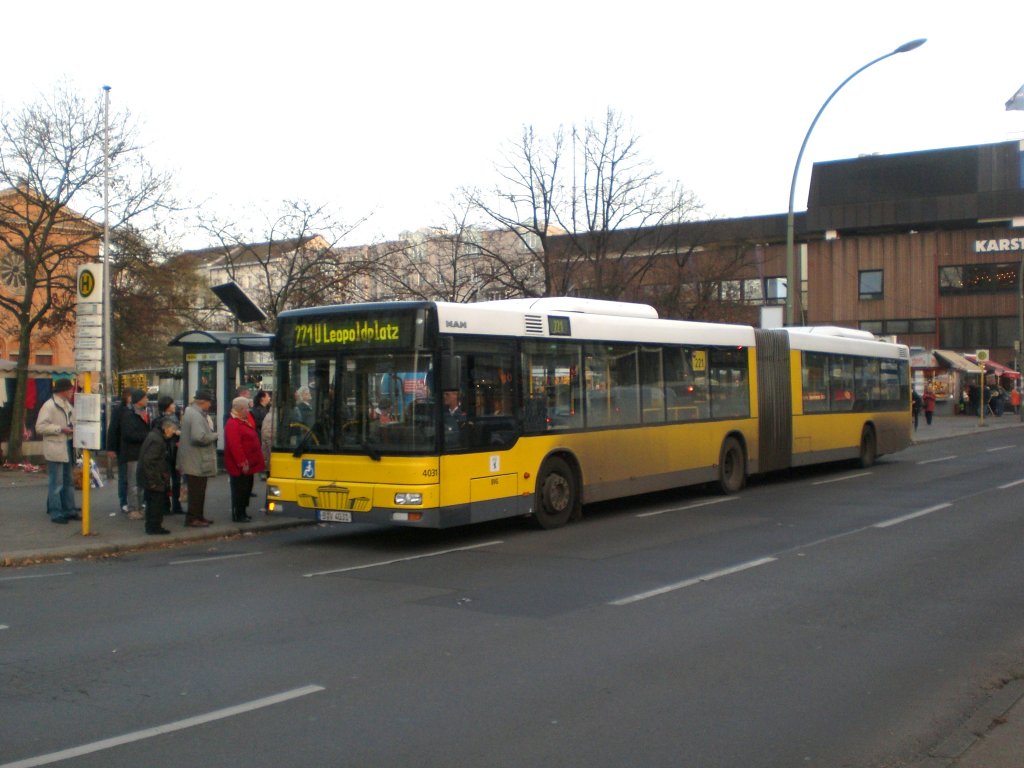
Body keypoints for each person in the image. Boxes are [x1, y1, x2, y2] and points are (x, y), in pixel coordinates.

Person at [36, 378, 78, 524]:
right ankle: (56, 512)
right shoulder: (49, 406)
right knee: (57, 481)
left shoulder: (67, 405)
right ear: (63, 391)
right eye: (70, 389)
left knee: (68, 480)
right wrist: (60, 429)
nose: (72, 392)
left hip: (66, 445)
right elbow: (40, 427)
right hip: (55, 447)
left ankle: (69, 509)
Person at [176, 389, 219, 527]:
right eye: (209, 402)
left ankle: (199, 516)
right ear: (202, 402)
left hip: (194, 460)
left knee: (199, 491)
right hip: (196, 461)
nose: (210, 405)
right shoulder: (195, 415)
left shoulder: (192, 413)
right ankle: (193, 518)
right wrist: (214, 436)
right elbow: (198, 437)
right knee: (196, 492)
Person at [224, 396, 265, 522]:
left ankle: (243, 512)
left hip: (250, 462)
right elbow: (235, 445)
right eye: (246, 409)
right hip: (241, 465)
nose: (248, 411)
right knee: (240, 490)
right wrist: (242, 462)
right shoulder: (233, 423)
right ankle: (238, 514)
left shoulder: (244, 420)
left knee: (247, 488)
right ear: (240, 409)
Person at [137, 418, 179, 535]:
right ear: (166, 428)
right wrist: (153, 481)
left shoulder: (154, 436)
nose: (173, 432)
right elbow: (149, 461)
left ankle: (151, 526)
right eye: (173, 430)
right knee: (155, 503)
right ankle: (154, 527)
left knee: (152, 503)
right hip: (153, 477)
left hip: (150, 476)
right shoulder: (158, 440)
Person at [119, 389, 150, 520]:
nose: (147, 400)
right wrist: (146, 436)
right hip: (132, 453)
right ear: (139, 400)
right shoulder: (129, 415)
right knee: (133, 483)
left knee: (141, 482)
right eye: (145, 397)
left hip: (142, 452)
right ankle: (133, 509)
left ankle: (140, 506)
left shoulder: (144, 413)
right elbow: (128, 434)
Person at [157, 395, 184, 515]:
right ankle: (166, 506)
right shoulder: (162, 420)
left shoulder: (175, 416)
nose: (174, 406)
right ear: (167, 406)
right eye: (172, 404)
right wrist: (176, 432)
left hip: (175, 452)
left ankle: (176, 505)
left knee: (176, 480)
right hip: (168, 452)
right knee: (166, 480)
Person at [105, 388, 132, 512]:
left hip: (133, 448)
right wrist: (111, 448)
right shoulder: (119, 410)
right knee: (123, 476)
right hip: (122, 448)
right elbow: (113, 429)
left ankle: (133, 501)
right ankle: (123, 501)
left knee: (132, 476)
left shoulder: (137, 409)